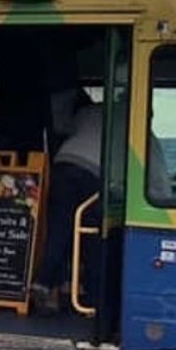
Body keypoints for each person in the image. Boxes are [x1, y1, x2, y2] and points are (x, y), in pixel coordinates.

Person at [32, 88, 102, 315]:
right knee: (92, 233)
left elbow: (64, 132)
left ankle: (44, 281)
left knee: (60, 229)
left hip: (63, 164)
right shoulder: (117, 115)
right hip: (92, 172)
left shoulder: (83, 115)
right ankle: (92, 297)